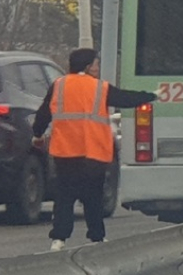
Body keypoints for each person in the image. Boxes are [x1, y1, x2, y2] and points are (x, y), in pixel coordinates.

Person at [32, 48, 157, 252]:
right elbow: (125, 99)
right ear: (88, 66)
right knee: (93, 196)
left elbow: (44, 113)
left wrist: (37, 135)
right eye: (96, 64)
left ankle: (59, 238)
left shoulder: (59, 85)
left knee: (64, 196)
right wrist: (150, 96)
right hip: (93, 151)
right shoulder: (99, 88)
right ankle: (96, 236)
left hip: (65, 150)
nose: (98, 67)